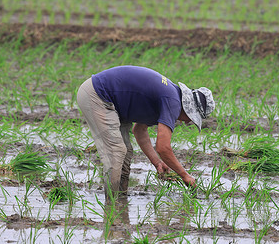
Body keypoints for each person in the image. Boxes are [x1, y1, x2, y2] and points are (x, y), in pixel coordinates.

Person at [77, 65, 215, 196]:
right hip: (97, 94)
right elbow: (163, 148)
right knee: (116, 151)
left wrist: (157, 162)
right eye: (191, 117)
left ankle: (121, 199)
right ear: (188, 107)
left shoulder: (170, 97)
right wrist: (185, 176)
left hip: (115, 103)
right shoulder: (173, 101)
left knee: (125, 152)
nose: (188, 121)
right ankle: (112, 206)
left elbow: (139, 131)